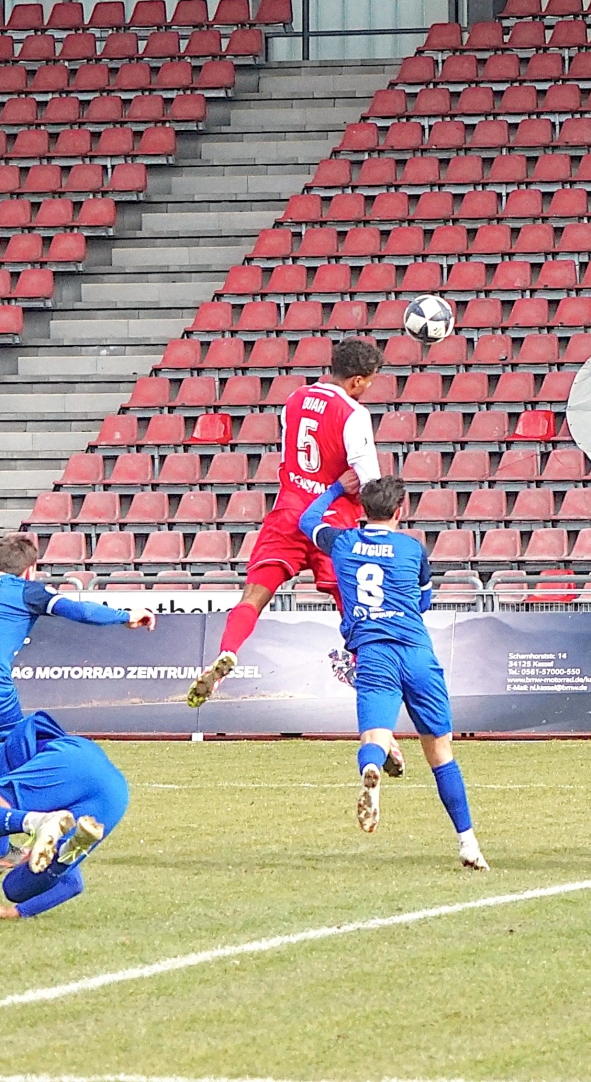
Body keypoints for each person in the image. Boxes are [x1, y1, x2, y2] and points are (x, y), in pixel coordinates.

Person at [0, 533, 153, 880]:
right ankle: (33, 827)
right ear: (30, 570)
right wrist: (125, 616)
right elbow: (74, 608)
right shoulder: (26, 590)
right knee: (18, 756)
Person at [301, 475, 488, 870]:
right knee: (440, 752)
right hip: (416, 652)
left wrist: (337, 489)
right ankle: (468, 843)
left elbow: (307, 520)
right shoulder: (411, 548)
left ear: (363, 510)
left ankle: (372, 765)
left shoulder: (344, 542)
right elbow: (424, 599)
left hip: (374, 653)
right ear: (400, 512)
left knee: (375, 737)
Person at [187, 338, 385, 708]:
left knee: (254, 595)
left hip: (289, 511)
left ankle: (228, 650)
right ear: (358, 380)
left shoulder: (294, 401)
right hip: (332, 520)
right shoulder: (354, 414)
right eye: (370, 382)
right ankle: (362, 665)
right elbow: (370, 480)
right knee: (351, 600)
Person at [0, 710, 128, 921]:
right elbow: (72, 884)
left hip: (68, 759)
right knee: (17, 888)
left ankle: (38, 822)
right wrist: (16, 912)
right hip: (113, 792)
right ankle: (69, 849)